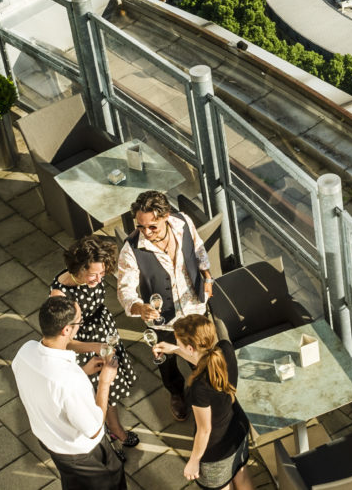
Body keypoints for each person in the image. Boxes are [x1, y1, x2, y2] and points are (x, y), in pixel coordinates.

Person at [115, 190, 212, 421]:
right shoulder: (131, 249)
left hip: (194, 308)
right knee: (167, 362)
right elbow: (124, 291)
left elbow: (199, 250)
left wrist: (208, 278)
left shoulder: (184, 222)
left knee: (202, 356)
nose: (146, 233)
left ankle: (207, 392)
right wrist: (140, 307)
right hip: (163, 322)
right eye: (141, 226)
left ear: (165, 216)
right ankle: (176, 393)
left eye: (152, 227)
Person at [12, 296, 124, 490]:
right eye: (79, 323)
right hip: (82, 454)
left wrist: (85, 368)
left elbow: (49, 387)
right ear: (66, 330)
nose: (80, 326)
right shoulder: (70, 381)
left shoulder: (25, 351)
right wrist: (105, 381)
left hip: (51, 441)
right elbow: (94, 429)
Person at [50, 235, 139, 448]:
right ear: (78, 268)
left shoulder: (93, 276)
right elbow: (64, 342)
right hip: (85, 345)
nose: (99, 280)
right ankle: (111, 432)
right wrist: (97, 347)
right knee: (99, 391)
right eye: (93, 275)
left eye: (102, 273)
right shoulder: (60, 297)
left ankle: (112, 429)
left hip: (103, 329)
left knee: (110, 387)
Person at [154, 315, 251, 490]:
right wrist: (175, 349)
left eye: (179, 342)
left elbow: (204, 430)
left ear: (190, 348)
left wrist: (194, 460)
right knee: (241, 476)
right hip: (238, 430)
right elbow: (202, 358)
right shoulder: (225, 348)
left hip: (217, 449)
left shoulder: (199, 388)